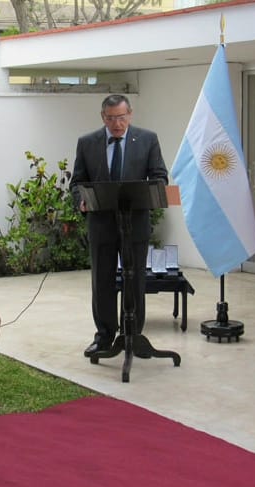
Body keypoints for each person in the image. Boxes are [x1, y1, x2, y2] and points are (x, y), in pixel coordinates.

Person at [70, 94, 168, 357]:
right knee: (102, 281)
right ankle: (104, 337)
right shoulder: (87, 143)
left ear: (130, 115)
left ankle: (133, 334)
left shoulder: (147, 139)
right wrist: (80, 201)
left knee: (134, 279)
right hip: (101, 225)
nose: (117, 124)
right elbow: (77, 183)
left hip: (134, 223)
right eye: (112, 118)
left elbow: (159, 177)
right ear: (103, 117)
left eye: (122, 117)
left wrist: (151, 192)